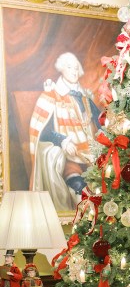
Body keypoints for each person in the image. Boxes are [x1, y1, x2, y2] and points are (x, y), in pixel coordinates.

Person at [29, 52, 101, 212]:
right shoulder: (51, 96)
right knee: (80, 189)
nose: (74, 71)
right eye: (69, 68)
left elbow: (100, 122)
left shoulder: (85, 97)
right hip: (70, 156)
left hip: (92, 154)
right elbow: (43, 131)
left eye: (76, 68)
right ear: (62, 70)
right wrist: (63, 140)